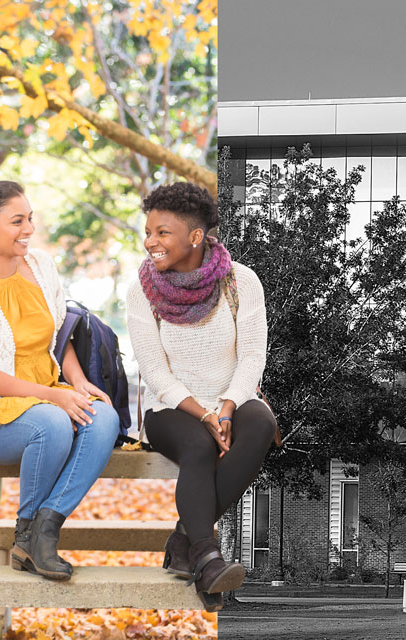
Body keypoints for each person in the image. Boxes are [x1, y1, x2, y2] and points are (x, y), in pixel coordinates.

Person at [0, 180, 119, 581]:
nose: (29, 229)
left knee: (103, 416)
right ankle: (27, 533)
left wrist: (76, 382)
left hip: (46, 391)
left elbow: (59, 335)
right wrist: (52, 398)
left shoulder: (41, 266)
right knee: (51, 423)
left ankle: (42, 534)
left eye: (30, 218)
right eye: (17, 221)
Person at [126, 182, 276, 612]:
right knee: (197, 444)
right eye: (149, 231)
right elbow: (154, 371)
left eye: (162, 233)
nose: (150, 242)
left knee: (262, 423)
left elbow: (251, 357)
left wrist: (227, 406)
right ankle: (208, 559)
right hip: (170, 407)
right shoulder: (142, 290)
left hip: (233, 396)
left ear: (195, 236)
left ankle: (184, 541)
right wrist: (204, 415)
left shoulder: (241, 282)